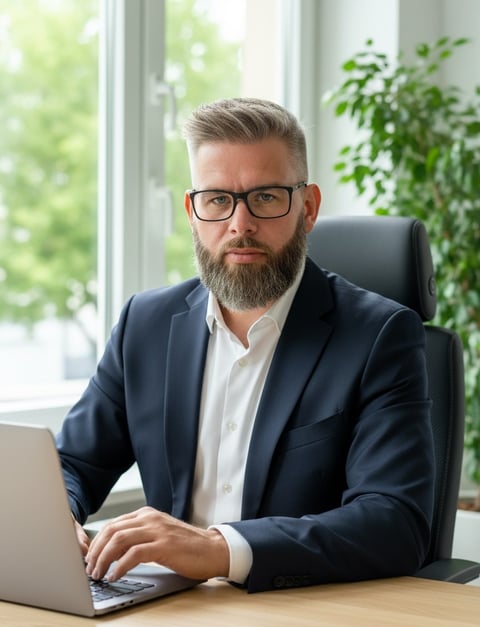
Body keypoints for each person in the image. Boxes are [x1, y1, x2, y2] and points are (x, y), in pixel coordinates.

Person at [57, 97, 435, 593]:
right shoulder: (144, 324)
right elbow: (73, 463)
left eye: (266, 197)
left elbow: (394, 522)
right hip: (165, 612)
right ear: (193, 211)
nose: (240, 225)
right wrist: (57, 516)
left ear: (309, 207)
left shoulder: (380, 336)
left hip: (301, 617)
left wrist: (218, 548)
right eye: (217, 199)